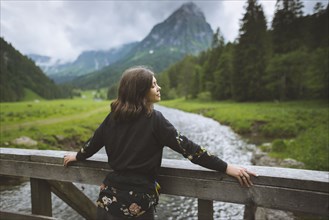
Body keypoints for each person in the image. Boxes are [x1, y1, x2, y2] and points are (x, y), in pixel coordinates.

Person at [63, 66, 257, 220]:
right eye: (154, 85)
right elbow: (189, 149)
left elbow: (92, 144)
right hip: (136, 205)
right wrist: (226, 167)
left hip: (106, 201)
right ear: (141, 91)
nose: (159, 88)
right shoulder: (154, 119)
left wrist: (77, 156)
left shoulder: (113, 117)